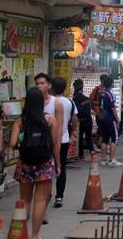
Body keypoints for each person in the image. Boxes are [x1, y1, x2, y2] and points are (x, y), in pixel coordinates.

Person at [10, 87, 59, 239]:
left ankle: (20, 234)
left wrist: (22, 143)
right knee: (40, 200)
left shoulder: (20, 121)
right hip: (44, 164)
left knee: (25, 200)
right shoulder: (50, 119)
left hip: (25, 164)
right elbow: (55, 144)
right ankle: (35, 235)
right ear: (41, 102)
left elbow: (12, 144)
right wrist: (58, 165)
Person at [51, 77, 77, 208]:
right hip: (64, 139)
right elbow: (74, 119)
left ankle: (45, 194)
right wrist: (71, 134)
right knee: (61, 167)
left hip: (49, 141)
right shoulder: (70, 102)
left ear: (51, 87)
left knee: (47, 167)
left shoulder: (49, 101)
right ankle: (59, 196)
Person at [96, 75, 121, 166]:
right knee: (114, 138)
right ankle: (112, 159)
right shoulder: (110, 94)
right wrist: (118, 120)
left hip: (102, 117)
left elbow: (100, 106)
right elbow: (113, 108)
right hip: (110, 118)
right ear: (111, 83)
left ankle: (103, 159)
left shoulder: (101, 93)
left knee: (104, 138)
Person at [72, 79, 93, 160]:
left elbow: (77, 111)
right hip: (89, 120)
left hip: (81, 121)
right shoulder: (86, 98)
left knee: (80, 138)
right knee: (88, 138)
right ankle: (92, 153)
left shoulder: (75, 98)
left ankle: (81, 155)